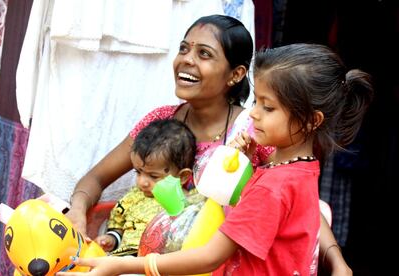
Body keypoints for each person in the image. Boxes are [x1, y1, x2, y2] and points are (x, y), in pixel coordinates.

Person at [66, 15, 352, 275]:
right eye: (183, 49)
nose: (187, 60)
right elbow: (96, 177)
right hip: (154, 255)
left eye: (204, 54)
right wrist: (78, 210)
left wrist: (336, 260)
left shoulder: (254, 134)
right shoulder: (162, 121)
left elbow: (299, 207)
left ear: (236, 74)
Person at [94, 118, 196, 255]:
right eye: (138, 172)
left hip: (159, 265)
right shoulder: (133, 198)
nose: (142, 182)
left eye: (153, 176)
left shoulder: (188, 205)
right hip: (123, 258)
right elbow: (118, 225)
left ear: (182, 176)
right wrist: (112, 239)